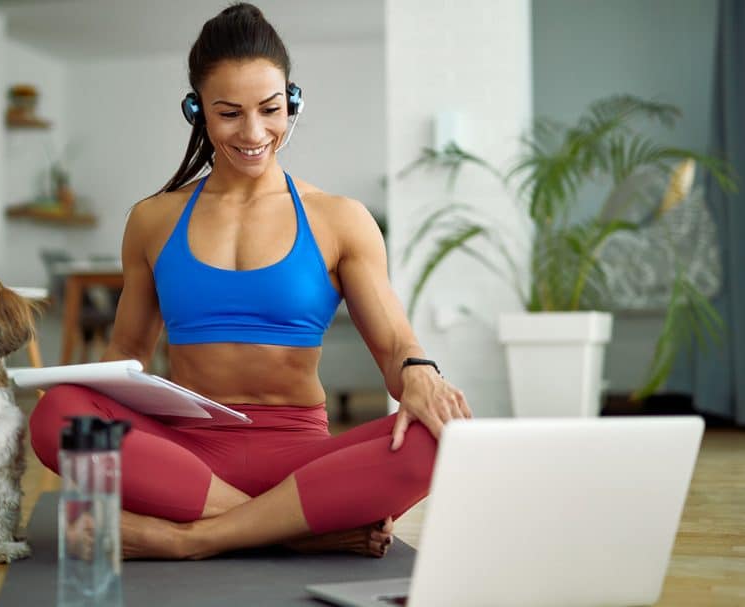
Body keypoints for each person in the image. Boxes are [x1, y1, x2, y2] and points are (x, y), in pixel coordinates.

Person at [29, 2, 471, 561]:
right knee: (56, 414)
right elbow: (127, 358)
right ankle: (288, 529)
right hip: (185, 456)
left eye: (270, 109)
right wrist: (75, 387)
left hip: (301, 463)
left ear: (293, 101)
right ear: (197, 112)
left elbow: (394, 348)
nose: (255, 132)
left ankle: (189, 537)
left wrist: (421, 374)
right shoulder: (153, 219)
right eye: (230, 113)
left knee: (444, 434)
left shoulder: (340, 218)